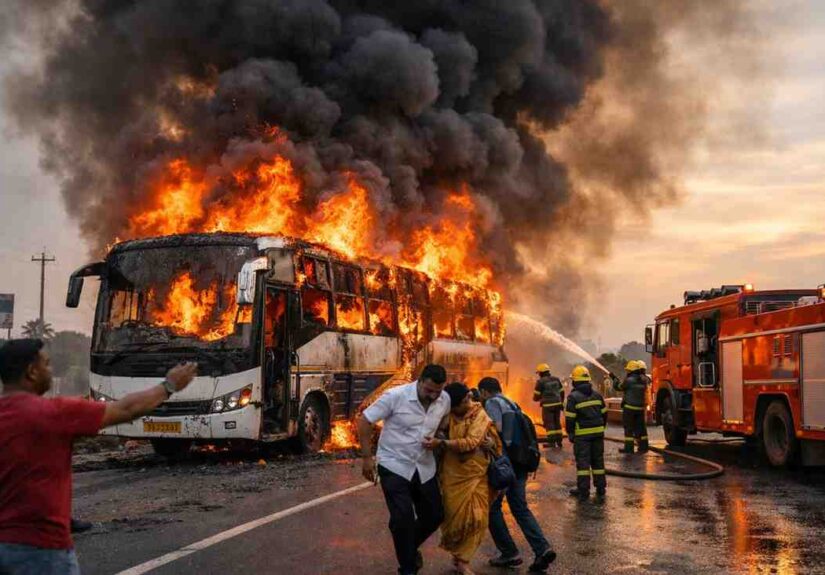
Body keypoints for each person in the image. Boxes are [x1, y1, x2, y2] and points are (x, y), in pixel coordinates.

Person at [0, 339, 197, 575]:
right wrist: (169, 386)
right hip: (43, 549)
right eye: (47, 364)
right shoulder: (54, 413)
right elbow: (126, 409)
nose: (50, 371)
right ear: (32, 372)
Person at [356, 364, 450, 575]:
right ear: (420, 381)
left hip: (424, 466)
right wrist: (366, 457)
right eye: (429, 390)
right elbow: (365, 420)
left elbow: (444, 421)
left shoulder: (444, 399)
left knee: (435, 515)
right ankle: (407, 568)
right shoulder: (395, 396)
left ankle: (408, 545)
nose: (434, 395)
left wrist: (439, 439)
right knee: (403, 518)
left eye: (438, 391)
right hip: (394, 464)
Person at [477, 377, 556, 573]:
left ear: (485, 392)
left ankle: (509, 552)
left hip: (506, 463)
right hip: (521, 461)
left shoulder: (492, 403)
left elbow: (496, 430)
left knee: (492, 508)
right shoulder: (511, 402)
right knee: (520, 507)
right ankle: (542, 549)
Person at [422, 382, 501, 575]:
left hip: (476, 473)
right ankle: (458, 557)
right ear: (453, 405)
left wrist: (442, 442)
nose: (469, 401)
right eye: (463, 400)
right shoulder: (446, 415)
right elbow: (429, 431)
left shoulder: (479, 415)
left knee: (478, 518)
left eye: (468, 398)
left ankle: (464, 561)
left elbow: (472, 442)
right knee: (454, 520)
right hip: (452, 474)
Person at [564, 365, 608, 502]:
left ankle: (583, 491)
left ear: (575, 381)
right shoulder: (597, 395)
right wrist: (601, 428)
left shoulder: (573, 397)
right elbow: (604, 414)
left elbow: (570, 418)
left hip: (582, 436)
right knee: (598, 462)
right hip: (598, 434)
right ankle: (601, 488)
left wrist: (570, 433)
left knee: (583, 464)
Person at [615, 360, 651, 454]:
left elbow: (619, 387)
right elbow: (648, 379)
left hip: (629, 409)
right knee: (641, 428)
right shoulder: (644, 380)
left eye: (628, 371)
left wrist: (615, 380)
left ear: (631, 371)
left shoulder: (629, 380)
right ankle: (644, 447)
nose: (627, 372)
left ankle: (629, 448)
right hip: (640, 409)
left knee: (629, 429)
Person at [532, 363, 564, 447]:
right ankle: (559, 441)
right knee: (557, 422)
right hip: (558, 404)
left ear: (541, 373)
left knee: (549, 423)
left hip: (547, 406)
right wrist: (561, 402)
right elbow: (562, 391)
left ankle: (551, 442)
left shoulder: (540, 382)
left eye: (539, 373)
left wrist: (537, 398)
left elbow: (536, 396)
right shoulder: (556, 379)